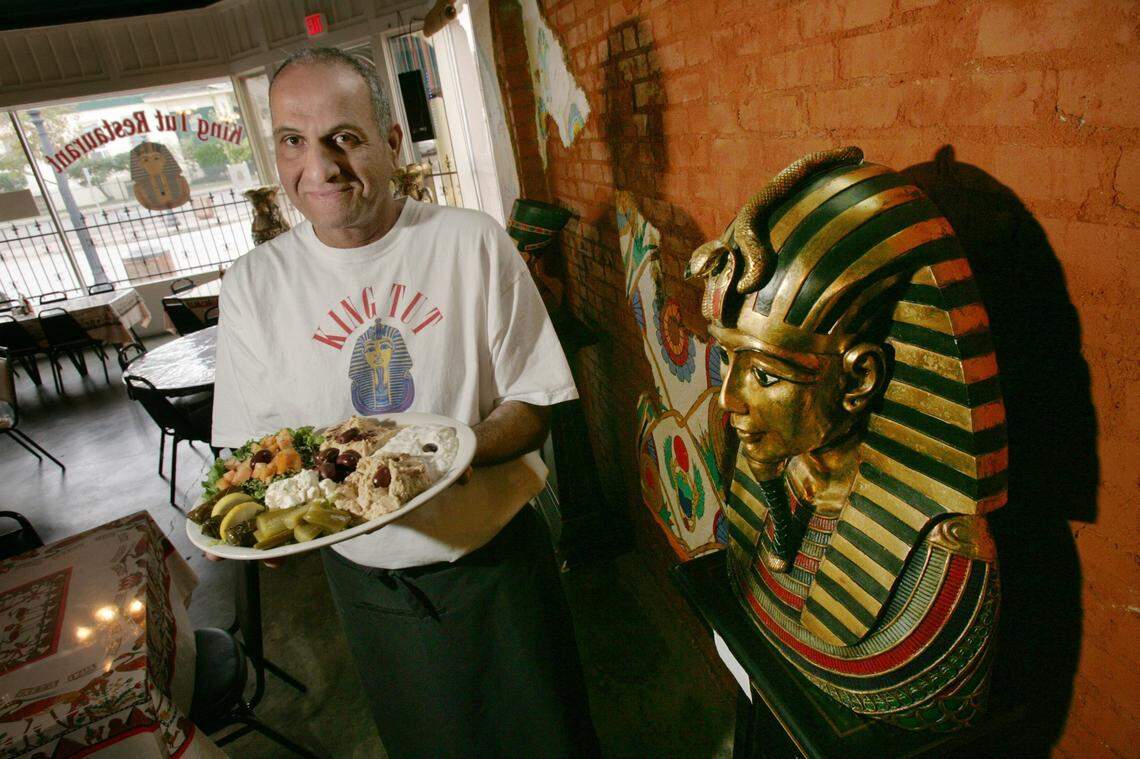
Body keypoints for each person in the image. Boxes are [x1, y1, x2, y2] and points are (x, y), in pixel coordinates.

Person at [210, 46, 599, 757]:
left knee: (548, 743)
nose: (319, 167)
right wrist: (263, 527)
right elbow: (253, 452)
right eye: (293, 141)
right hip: (367, 586)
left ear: (391, 143)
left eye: (345, 138)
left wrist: (443, 457)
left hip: (496, 565)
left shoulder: (469, 243)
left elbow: (536, 400)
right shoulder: (253, 287)